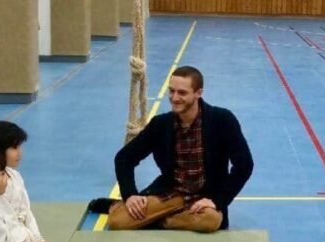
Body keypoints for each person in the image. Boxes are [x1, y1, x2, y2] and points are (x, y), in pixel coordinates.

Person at [103, 65, 253, 231]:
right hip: (171, 195)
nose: (174, 98)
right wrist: (130, 194)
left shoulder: (223, 120)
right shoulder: (160, 124)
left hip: (205, 198)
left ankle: (155, 220)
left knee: (210, 220)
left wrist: (218, 201)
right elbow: (124, 158)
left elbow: (244, 165)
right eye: (171, 91)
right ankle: (167, 217)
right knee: (118, 221)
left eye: (182, 93)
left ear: (198, 93)